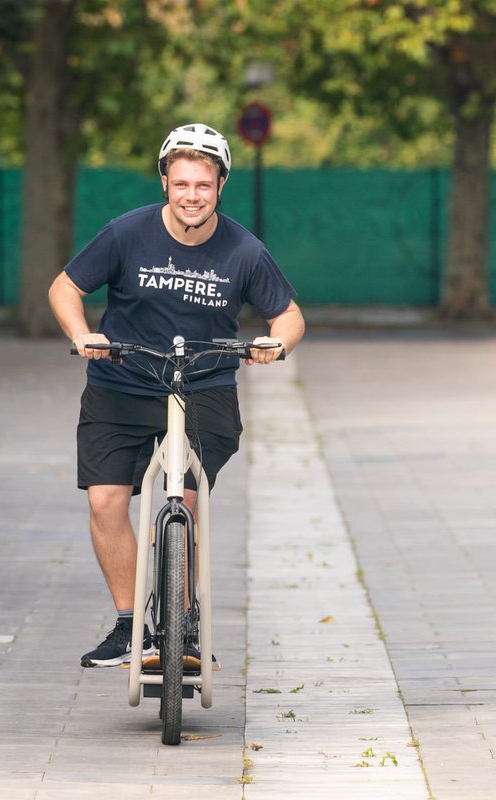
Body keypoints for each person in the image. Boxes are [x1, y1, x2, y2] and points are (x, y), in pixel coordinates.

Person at [48, 122, 305, 668]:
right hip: (121, 383)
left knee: (183, 501)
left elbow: (288, 316)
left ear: (221, 186)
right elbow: (65, 287)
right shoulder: (126, 233)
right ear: (165, 180)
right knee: (105, 501)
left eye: (204, 186)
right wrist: (82, 334)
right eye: (182, 183)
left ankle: (182, 629)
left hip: (203, 388)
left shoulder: (244, 250)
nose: (192, 196)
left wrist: (274, 344)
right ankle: (128, 626)